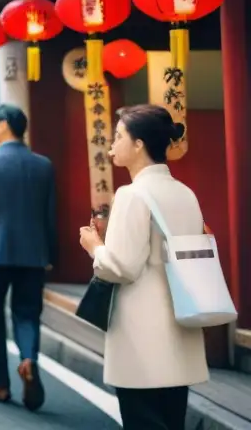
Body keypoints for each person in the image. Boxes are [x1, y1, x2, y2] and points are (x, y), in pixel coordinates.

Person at [79, 105, 208, 430]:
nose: (113, 143)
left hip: (141, 332)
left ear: (138, 145)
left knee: (142, 418)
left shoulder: (132, 194)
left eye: (119, 136)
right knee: (170, 418)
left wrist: (95, 247)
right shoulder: (185, 193)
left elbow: (121, 267)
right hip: (181, 324)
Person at [0, 103, 56, 410]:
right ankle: (29, 359)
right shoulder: (43, 165)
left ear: (4, 124)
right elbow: (50, 215)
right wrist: (50, 253)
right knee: (27, 312)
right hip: (34, 252)